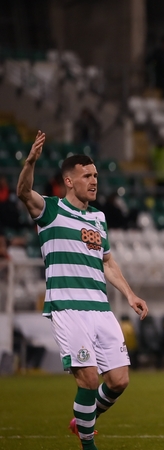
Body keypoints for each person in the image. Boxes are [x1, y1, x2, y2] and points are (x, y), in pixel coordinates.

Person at [16, 131, 149, 450]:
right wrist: (31, 162)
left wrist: (130, 294)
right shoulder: (49, 210)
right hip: (68, 308)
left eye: (96, 176)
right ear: (69, 181)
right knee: (88, 378)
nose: (94, 181)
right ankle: (88, 445)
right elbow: (23, 191)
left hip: (100, 309)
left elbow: (108, 262)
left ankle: (83, 420)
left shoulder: (98, 218)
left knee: (119, 381)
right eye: (87, 175)